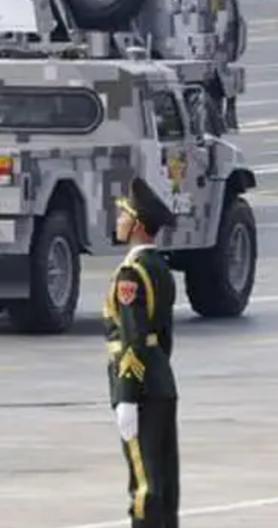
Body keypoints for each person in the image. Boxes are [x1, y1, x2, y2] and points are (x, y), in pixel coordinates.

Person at [105, 175, 180, 528]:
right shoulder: (161, 269)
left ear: (136, 224)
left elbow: (133, 339)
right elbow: (163, 338)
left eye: (122, 215)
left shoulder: (130, 275)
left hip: (141, 389)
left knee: (144, 481)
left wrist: (127, 394)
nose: (118, 221)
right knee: (165, 478)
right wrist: (157, 370)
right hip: (162, 381)